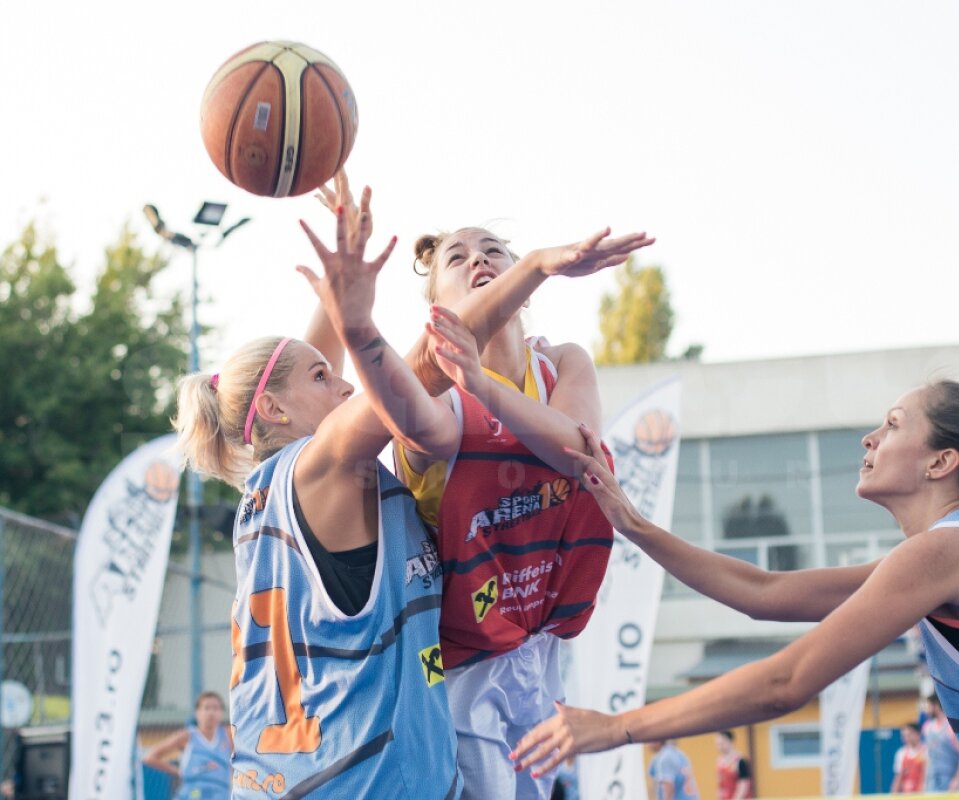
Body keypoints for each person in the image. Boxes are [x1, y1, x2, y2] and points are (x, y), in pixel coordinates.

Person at [512, 380, 959, 798]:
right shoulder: (958, 557)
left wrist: (616, 727)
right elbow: (763, 590)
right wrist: (633, 524)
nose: (871, 437)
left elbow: (788, 681)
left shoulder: (950, 552)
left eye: (893, 425)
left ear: (942, 461)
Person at [174, 194, 638, 797]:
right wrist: (534, 266)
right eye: (324, 377)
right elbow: (418, 370)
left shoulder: (273, 490)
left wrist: (335, 294)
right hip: (354, 780)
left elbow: (291, 371)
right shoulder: (329, 465)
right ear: (273, 409)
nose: (345, 384)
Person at [321, 172, 655, 800]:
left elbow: (576, 452)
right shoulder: (439, 401)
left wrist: (485, 381)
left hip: (542, 648)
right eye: (457, 255)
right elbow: (421, 425)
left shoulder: (561, 362)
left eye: (492, 250)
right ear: (437, 308)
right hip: (456, 667)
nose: (478, 257)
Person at [141, 692, 232, 800]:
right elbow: (149, 757)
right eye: (206, 708)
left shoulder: (228, 735)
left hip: (221, 795)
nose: (211, 712)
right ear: (197, 712)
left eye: (216, 708)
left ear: (222, 712)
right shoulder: (187, 736)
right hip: (192, 795)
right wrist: (177, 771)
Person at [920, 694, 959, 791]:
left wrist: (958, 779)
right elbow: (928, 758)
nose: (926, 710)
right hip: (933, 782)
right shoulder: (927, 728)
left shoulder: (951, 727)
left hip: (952, 780)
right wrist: (924, 783)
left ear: (936, 706)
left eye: (928, 706)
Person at [890, 722, 927, 794]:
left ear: (918, 734)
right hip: (907, 794)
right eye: (904, 736)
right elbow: (898, 777)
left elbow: (926, 776)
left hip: (923, 794)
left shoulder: (926, 752)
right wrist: (893, 794)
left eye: (909, 735)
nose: (906, 739)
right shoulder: (901, 753)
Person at [714, 730, 752, 800]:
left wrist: (737, 798)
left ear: (730, 741)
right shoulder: (719, 762)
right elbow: (720, 783)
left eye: (722, 743)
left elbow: (744, 783)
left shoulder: (740, 761)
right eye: (718, 744)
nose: (720, 746)